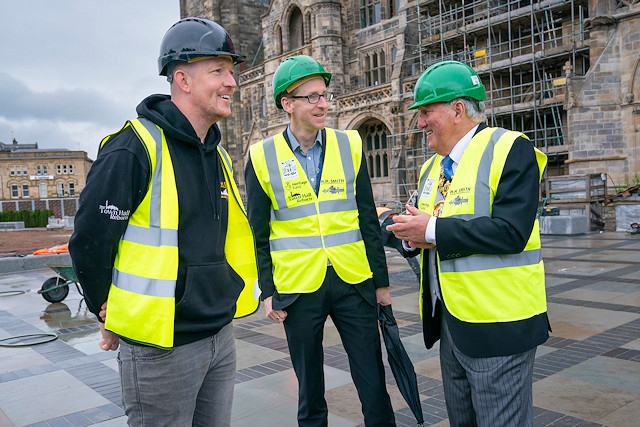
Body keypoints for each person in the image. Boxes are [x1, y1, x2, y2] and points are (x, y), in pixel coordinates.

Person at [69, 18, 259, 427]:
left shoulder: (218, 155)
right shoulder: (134, 147)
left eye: (232, 71)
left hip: (219, 336)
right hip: (160, 348)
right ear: (182, 80)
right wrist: (109, 314)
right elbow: (89, 239)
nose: (232, 82)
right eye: (218, 71)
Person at [386, 60, 550, 427]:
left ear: (458, 109)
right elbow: (428, 233)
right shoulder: (433, 168)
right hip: (452, 326)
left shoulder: (509, 148)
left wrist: (430, 231)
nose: (419, 122)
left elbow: (510, 231)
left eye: (426, 112)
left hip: (500, 326)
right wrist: (401, 231)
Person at [244, 55, 395, 427]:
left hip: (353, 280)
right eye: (311, 97)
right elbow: (258, 234)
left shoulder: (351, 144)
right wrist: (268, 290)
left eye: (324, 95)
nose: (322, 104)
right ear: (287, 104)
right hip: (298, 288)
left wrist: (382, 283)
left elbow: (367, 221)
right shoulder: (261, 156)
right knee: (309, 388)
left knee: (373, 380)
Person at [376, 206, 421, 280]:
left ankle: (380, 278)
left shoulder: (363, 213)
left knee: (376, 250)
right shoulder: (377, 208)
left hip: (385, 221)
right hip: (395, 220)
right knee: (404, 250)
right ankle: (419, 274)